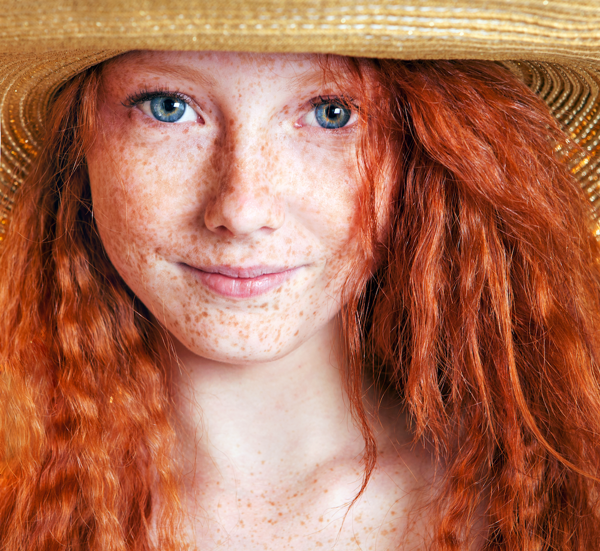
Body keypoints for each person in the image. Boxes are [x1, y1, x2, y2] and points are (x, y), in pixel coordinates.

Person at [1, 3, 600, 551]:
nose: (242, 208)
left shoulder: (559, 502)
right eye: (170, 106)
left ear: (420, 150)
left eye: (329, 113)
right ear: (78, 143)